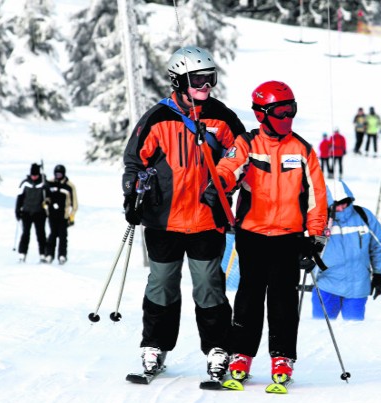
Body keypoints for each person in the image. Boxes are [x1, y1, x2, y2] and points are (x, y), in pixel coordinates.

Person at [121, 46, 245, 381]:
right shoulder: (157, 118)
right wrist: (132, 195)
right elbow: (135, 162)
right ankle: (154, 347)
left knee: (208, 284)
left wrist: (222, 178)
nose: (206, 86)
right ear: (178, 82)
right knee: (161, 283)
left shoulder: (221, 117)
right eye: (198, 80)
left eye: (210, 78)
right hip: (164, 219)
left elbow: (241, 152)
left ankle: (218, 349)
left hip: (208, 218)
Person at [208, 80, 328, 385]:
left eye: (292, 110)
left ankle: (282, 357)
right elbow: (229, 167)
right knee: (248, 297)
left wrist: (316, 236)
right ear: (261, 114)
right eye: (281, 111)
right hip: (252, 234)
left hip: (289, 237)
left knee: (283, 300)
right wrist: (219, 184)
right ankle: (241, 355)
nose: (288, 117)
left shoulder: (301, 150)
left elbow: (317, 196)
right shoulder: (248, 143)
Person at [312, 180, 381, 321]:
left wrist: (379, 276)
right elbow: (308, 247)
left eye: (344, 203)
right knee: (321, 330)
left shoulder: (363, 216)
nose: (341, 208)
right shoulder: (319, 220)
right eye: (336, 205)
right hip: (327, 286)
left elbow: (378, 247)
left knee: (354, 334)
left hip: (357, 287)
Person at [43, 164, 77, 265]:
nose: (58, 176)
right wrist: (46, 203)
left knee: (63, 236)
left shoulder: (69, 186)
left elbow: (74, 204)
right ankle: (49, 255)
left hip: (64, 215)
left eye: (60, 174)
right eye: (56, 174)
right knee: (52, 235)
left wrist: (71, 217)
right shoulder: (50, 183)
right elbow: (47, 198)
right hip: (52, 214)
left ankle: (62, 255)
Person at [15, 163, 47, 263]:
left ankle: (43, 254)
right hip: (26, 212)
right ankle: (22, 254)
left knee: (41, 234)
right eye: (32, 175)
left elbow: (48, 196)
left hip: (39, 213)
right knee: (25, 234)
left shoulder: (43, 183)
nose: (34, 177)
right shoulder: (25, 183)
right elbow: (20, 198)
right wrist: (17, 210)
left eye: (36, 175)